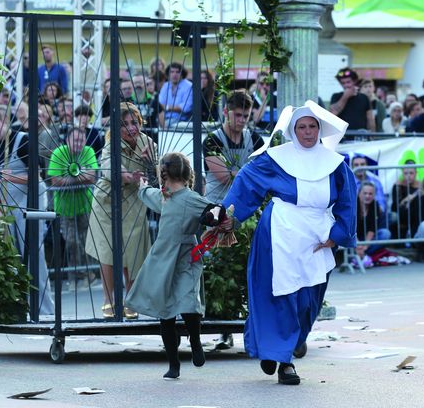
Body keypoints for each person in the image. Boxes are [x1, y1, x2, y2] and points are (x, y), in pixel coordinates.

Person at [221, 101, 356, 386]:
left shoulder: (335, 163)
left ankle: (285, 345)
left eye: (312, 126)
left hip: (318, 235)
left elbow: (347, 200)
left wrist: (338, 233)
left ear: (320, 129)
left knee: (309, 299)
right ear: (293, 131)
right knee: (281, 294)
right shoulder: (275, 158)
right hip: (280, 231)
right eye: (301, 127)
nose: (307, 132)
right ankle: (284, 360)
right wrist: (227, 216)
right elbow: (247, 182)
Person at [126, 152, 222, 380]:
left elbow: (213, 210)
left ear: (163, 174)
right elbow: (216, 210)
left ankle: (182, 355)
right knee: (177, 306)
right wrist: (213, 217)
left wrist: (211, 217)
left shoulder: (187, 198)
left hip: (183, 257)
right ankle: (186, 352)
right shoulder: (165, 196)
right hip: (169, 259)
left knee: (173, 310)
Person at [85, 102, 156, 320]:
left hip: (135, 201)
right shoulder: (110, 145)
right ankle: (109, 300)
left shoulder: (148, 143)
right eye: (124, 124)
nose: (130, 127)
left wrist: (151, 163)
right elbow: (109, 167)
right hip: (107, 201)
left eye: (133, 122)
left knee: (133, 252)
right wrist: (127, 176)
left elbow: (157, 171)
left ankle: (130, 300)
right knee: (108, 252)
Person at [0, 108, 55, 315]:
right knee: (11, 256)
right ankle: (19, 306)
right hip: (8, 207)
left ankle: (44, 309)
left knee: (34, 254)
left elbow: (37, 177)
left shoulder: (22, 141)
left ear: (4, 122)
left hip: (31, 203)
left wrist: (8, 177)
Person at [47, 127, 99, 286]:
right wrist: (80, 177)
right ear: (67, 140)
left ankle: (88, 273)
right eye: (75, 140)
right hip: (64, 208)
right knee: (71, 242)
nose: (78, 144)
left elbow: (92, 177)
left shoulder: (89, 151)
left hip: (85, 205)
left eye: (81, 140)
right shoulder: (58, 153)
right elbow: (55, 181)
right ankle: (77, 274)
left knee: (86, 241)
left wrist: (69, 179)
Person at [202, 90, 264, 204]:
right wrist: (254, 174)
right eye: (238, 115)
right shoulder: (212, 140)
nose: (242, 120)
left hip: (246, 205)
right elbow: (224, 178)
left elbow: (264, 171)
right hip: (216, 205)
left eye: (246, 116)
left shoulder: (255, 139)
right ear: (225, 111)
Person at [355, 181, 392, 267]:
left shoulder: (375, 205)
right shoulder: (353, 205)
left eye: (370, 194)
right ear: (359, 193)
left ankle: (362, 254)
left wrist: (365, 246)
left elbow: (372, 229)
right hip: (353, 238)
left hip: (367, 239)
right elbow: (351, 229)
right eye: (365, 193)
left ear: (374, 195)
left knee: (385, 234)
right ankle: (358, 254)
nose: (367, 196)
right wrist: (357, 244)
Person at [389, 160, 421, 237]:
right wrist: (406, 200)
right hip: (401, 211)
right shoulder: (397, 185)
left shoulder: (421, 186)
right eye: (406, 173)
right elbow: (395, 205)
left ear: (416, 173)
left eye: (411, 173)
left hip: (415, 212)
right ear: (402, 173)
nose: (408, 176)